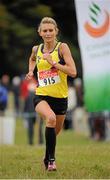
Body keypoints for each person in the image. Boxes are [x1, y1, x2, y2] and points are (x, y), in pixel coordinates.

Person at [26, 17, 77, 171]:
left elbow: (73, 72)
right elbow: (32, 58)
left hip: (61, 98)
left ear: (56, 32)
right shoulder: (36, 49)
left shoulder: (62, 48)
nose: (48, 33)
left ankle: (47, 156)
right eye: (45, 30)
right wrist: (30, 71)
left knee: (54, 132)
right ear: (40, 32)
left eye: (50, 30)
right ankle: (52, 162)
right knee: (50, 118)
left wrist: (54, 63)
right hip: (41, 95)